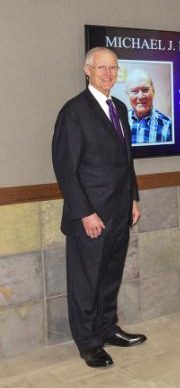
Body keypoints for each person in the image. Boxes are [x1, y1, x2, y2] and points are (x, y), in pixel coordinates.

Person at [51, 47, 145, 368]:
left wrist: (133, 198)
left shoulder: (119, 107)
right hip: (91, 216)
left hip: (120, 212)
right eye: (102, 67)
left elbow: (126, 160)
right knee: (86, 281)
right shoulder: (74, 112)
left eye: (113, 68)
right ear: (87, 70)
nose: (108, 73)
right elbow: (66, 168)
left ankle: (107, 328)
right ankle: (88, 342)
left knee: (109, 277)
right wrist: (84, 213)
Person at [126, 68, 172, 143]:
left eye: (145, 90)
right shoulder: (119, 122)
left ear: (153, 91)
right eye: (134, 91)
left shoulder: (169, 125)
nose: (141, 96)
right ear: (127, 94)